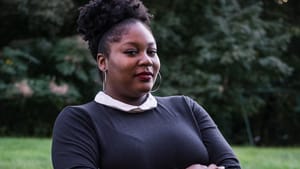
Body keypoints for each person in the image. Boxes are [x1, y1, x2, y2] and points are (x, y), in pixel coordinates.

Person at [51, 0, 241, 169]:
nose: (147, 60)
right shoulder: (80, 121)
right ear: (103, 61)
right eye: (132, 52)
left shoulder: (186, 108)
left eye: (152, 52)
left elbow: (231, 165)